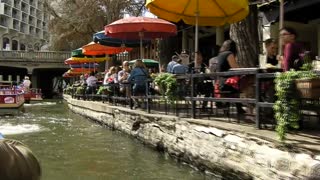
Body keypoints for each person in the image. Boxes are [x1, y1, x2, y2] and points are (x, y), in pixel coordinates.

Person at [215, 39, 245, 114]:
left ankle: (234, 107)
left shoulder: (220, 54)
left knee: (236, 84)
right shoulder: (229, 54)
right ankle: (243, 105)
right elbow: (235, 68)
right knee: (244, 80)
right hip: (227, 83)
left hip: (220, 82)